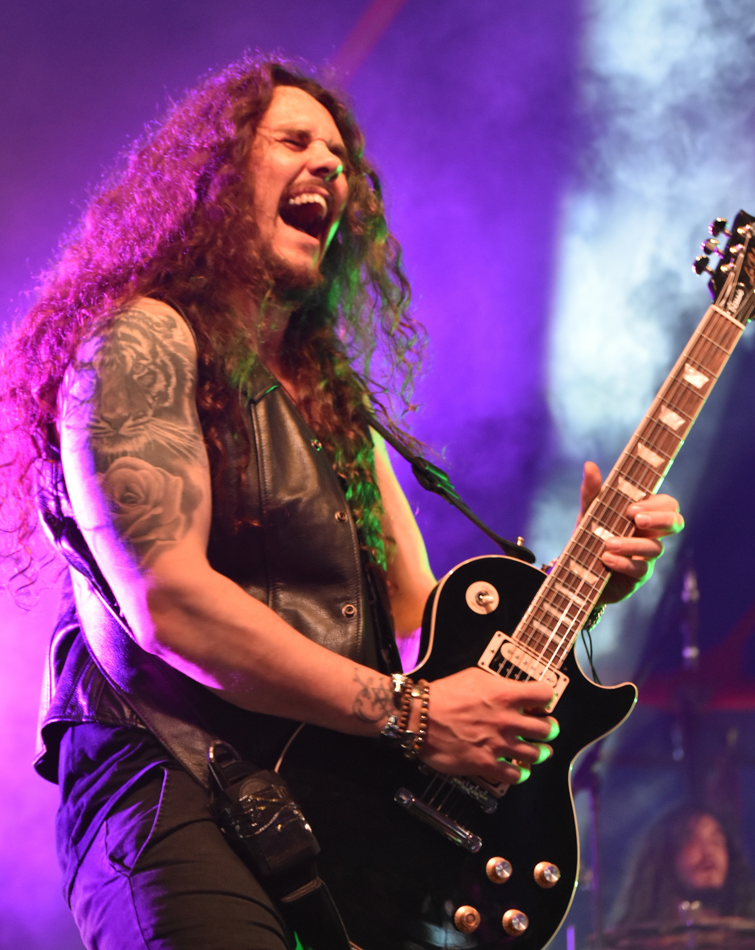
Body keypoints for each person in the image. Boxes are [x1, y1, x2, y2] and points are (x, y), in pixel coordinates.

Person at [0, 54, 684, 949]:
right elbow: (170, 601)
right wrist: (412, 715)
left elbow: (415, 617)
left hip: (330, 803)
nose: (327, 164)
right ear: (212, 176)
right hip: (172, 784)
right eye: (292, 140)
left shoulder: (334, 407)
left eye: (339, 155)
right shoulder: (144, 338)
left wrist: (578, 584)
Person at [611, 807, 755, 924]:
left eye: (717, 841)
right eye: (693, 840)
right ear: (666, 856)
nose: (709, 852)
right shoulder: (633, 943)